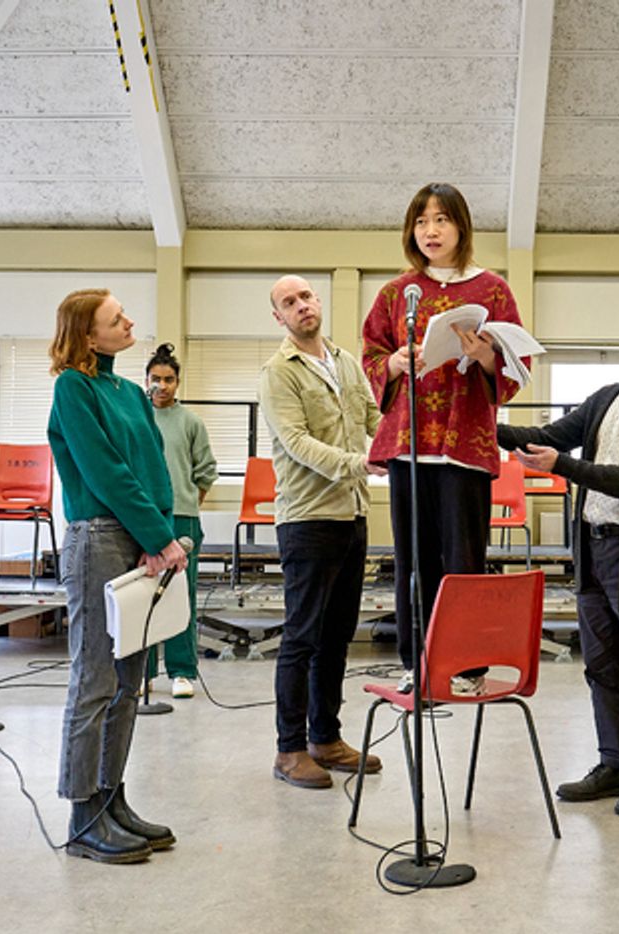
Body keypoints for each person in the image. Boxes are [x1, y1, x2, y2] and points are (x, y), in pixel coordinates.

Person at [497, 303, 619, 817]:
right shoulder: (606, 398)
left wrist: (564, 466)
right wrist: (481, 421)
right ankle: (614, 766)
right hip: (591, 548)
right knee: (602, 668)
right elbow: (545, 437)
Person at [361, 182, 526, 696]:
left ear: (461, 226)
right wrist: (392, 363)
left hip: (465, 447)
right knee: (412, 559)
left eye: (441, 220)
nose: (430, 231)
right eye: (421, 221)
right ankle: (419, 664)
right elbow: (370, 354)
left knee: (464, 562)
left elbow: (516, 368)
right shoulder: (396, 293)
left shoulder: (492, 289)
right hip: (411, 444)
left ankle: (470, 666)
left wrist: (484, 359)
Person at [48, 288, 188, 863]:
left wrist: (163, 538)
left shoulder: (130, 391)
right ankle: (84, 815)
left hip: (139, 541)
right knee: (95, 680)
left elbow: (153, 470)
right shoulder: (72, 388)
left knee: (131, 681)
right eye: (116, 318)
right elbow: (103, 470)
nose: (129, 321)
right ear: (88, 336)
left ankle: (112, 799)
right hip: (97, 539)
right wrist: (156, 537)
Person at [259, 275, 386, 789]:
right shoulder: (277, 373)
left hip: (352, 515)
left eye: (306, 296)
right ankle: (289, 750)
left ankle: (325, 738)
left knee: (337, 637)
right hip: (307, 518)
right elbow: (295, 442)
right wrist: (364, 462)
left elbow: (376, 417)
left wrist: (403, 439)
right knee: (302, 637)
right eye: (289, 302)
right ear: (279, 317)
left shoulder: (346, 362)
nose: (302, 306)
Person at [143, 342, 218, 699]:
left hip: (182, 519)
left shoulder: (191, 422)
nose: (162, 385)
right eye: (156, 379)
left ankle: (182, 671)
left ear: (178, 383)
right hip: (140, 518)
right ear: (146, 381)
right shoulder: (134, 418)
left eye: (169, 379)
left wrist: (185, 504)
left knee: (180, 595)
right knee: (140, 595)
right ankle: (140, 674)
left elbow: (205, 472)